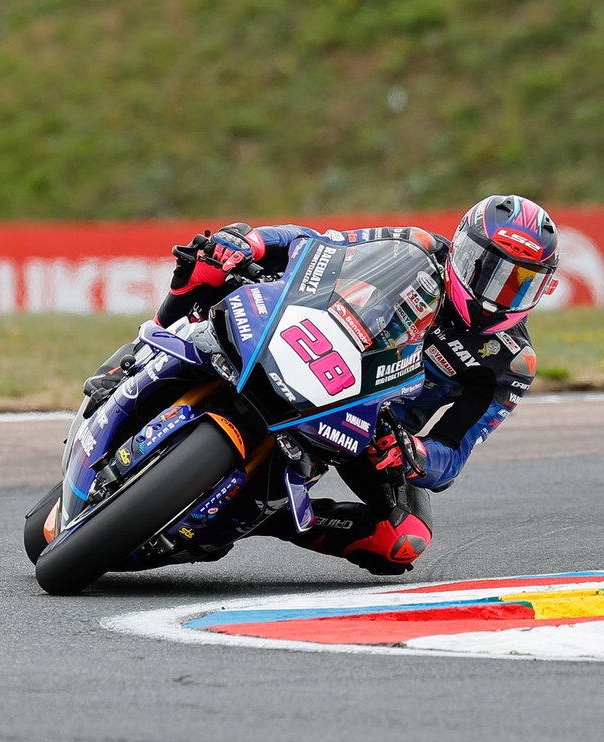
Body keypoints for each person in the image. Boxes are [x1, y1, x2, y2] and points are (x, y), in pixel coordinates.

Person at [85, 195, 560, 575]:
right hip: (317, 342)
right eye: (487, 268)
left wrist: (412, 454)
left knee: (403, 540)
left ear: (546, 289)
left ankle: (271, 517)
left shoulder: (510, 361)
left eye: (518, 283)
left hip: (373, 428)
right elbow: (316, 245)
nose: (497, 293)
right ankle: (135, 352)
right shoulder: (415, 244)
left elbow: (452, 456)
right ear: (460, 249)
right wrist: (251, 243)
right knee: (212, 260)